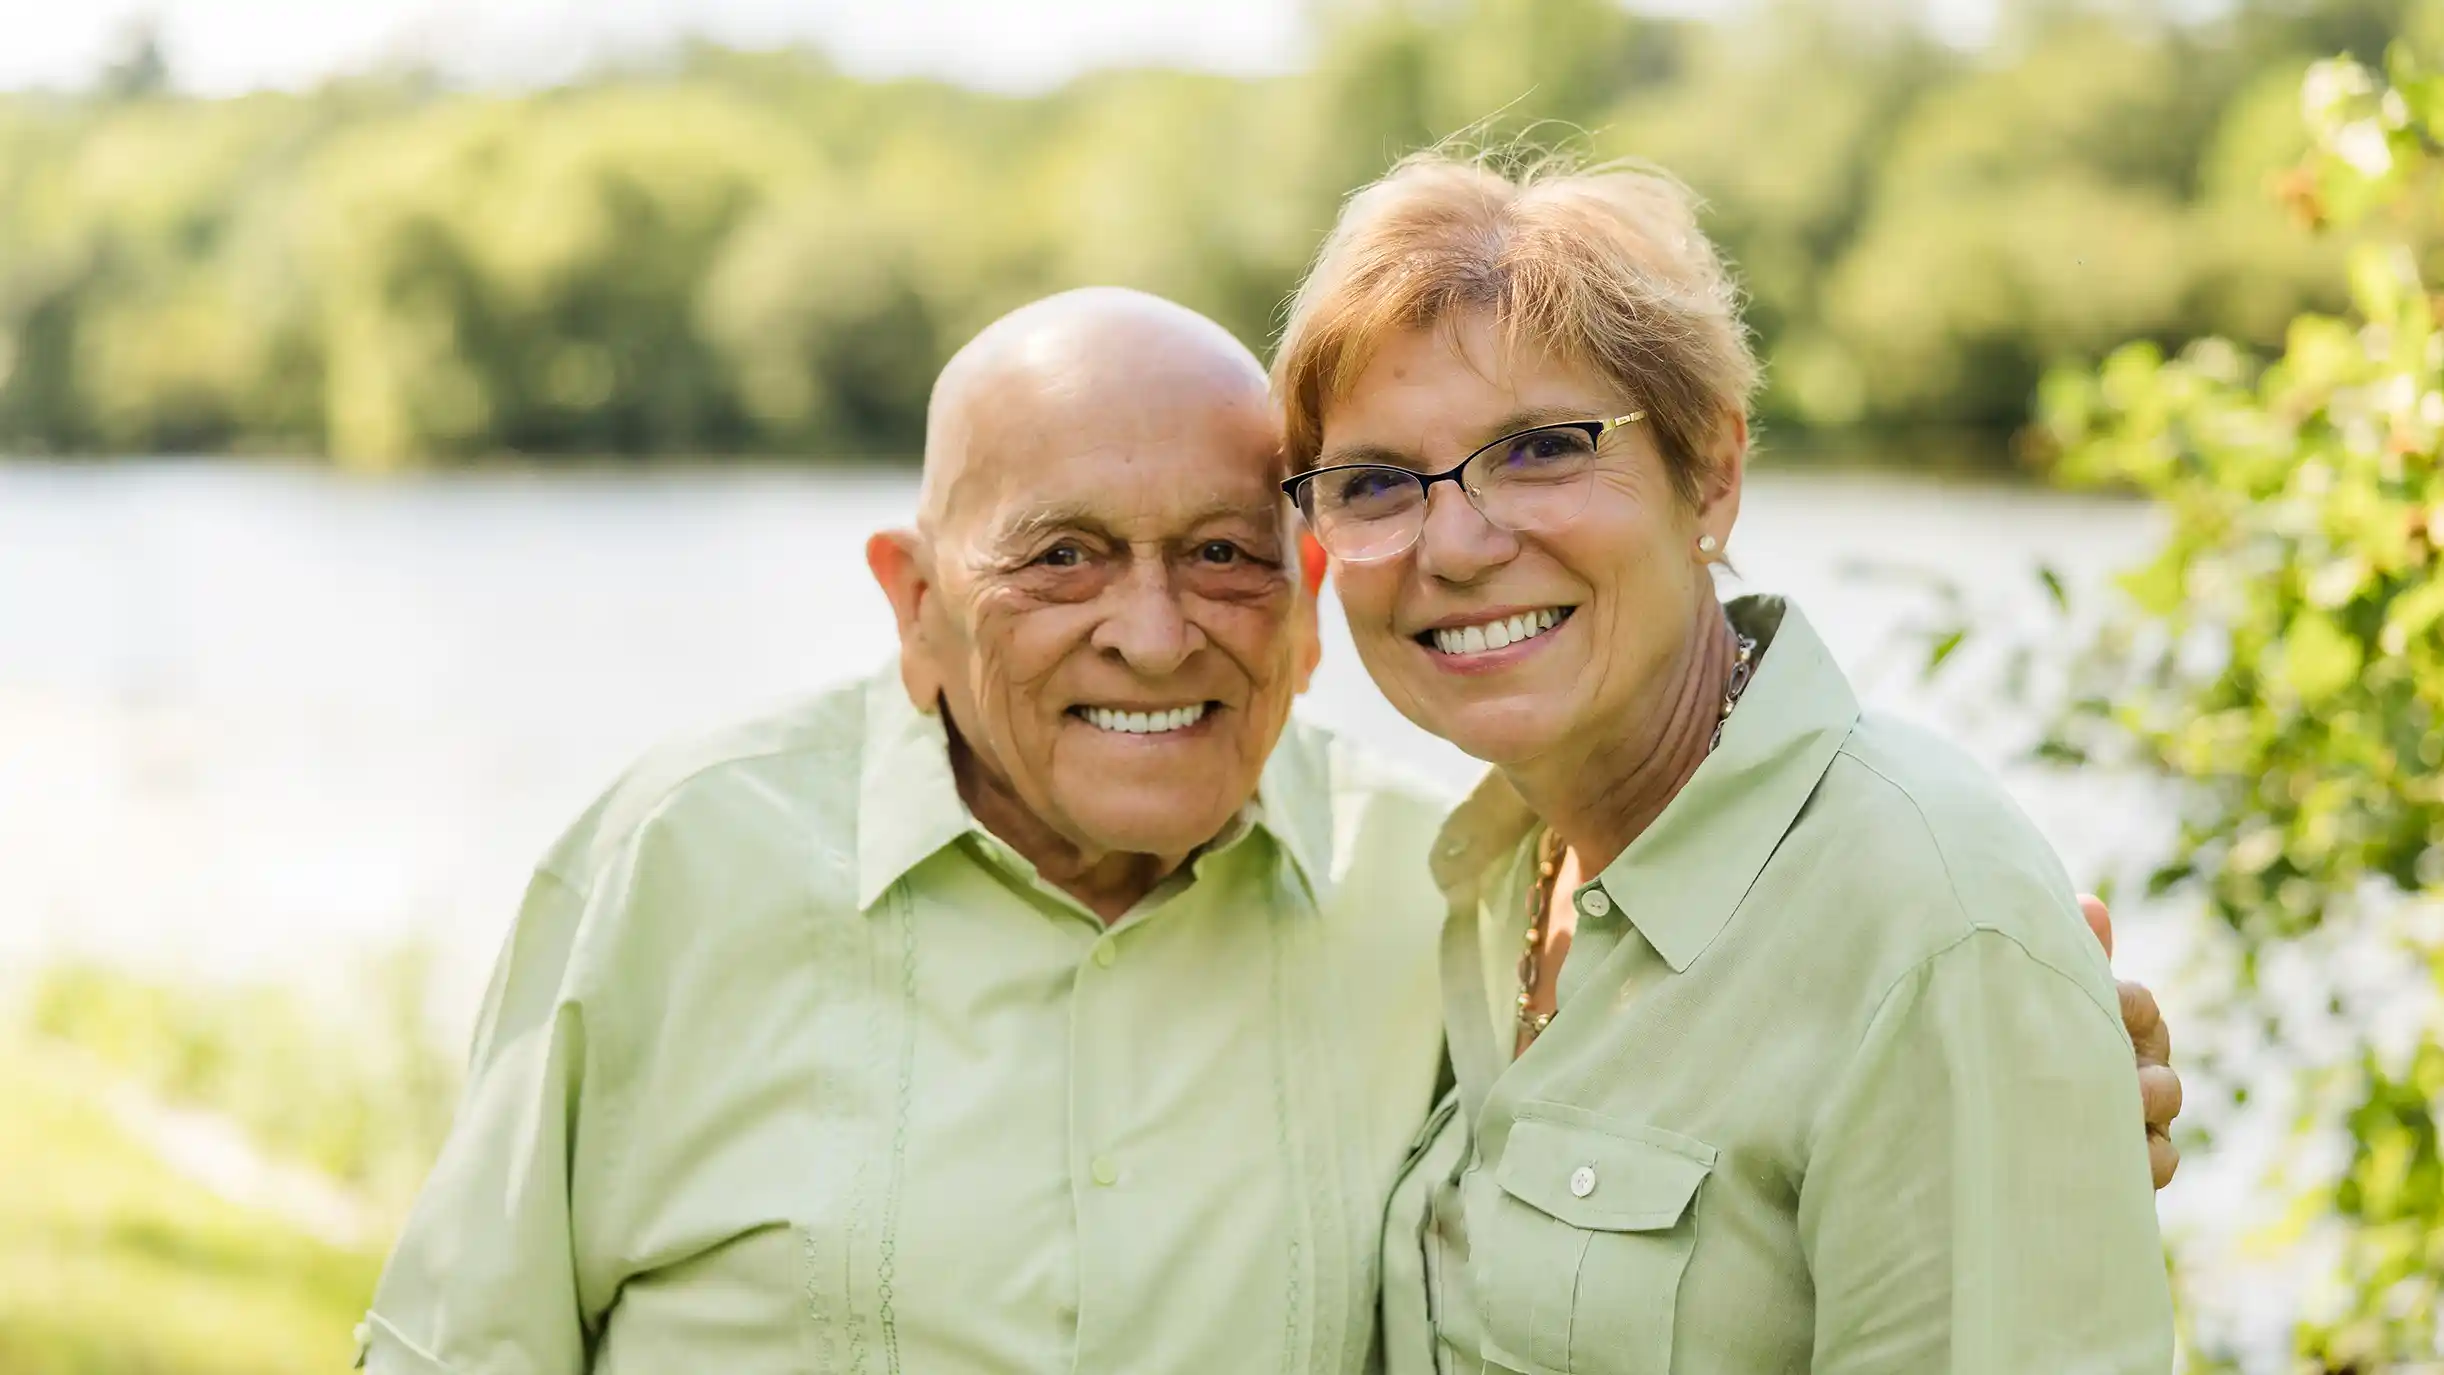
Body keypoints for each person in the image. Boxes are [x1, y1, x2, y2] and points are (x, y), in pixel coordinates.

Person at [358, 288, 2177, 1373]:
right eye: (1059, 555)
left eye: (1222, 555)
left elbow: (1722, 1080)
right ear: (911, 600)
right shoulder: (669, 867)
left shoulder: (1443, 889)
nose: (1151, 632)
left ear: (1309, 598)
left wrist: (2017, 1058)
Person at [1274, 153, 2178, 1374]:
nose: (1457, 542)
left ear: (1710, 477)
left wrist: (2020, 1031)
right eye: (1375, 481)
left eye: (1540, 448)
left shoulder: (1929, 925)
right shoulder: (1485, 881)